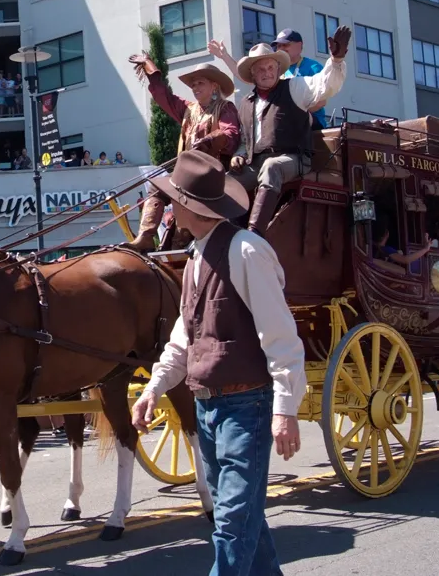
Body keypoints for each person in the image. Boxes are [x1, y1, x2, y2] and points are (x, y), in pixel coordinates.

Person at [130, 149, 307, 576]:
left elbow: (280, 335)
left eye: (173, 200)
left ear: (190, 207)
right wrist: (154, 388)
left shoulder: (247, 251)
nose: (168, 208)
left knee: (231, 524)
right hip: (208, 408)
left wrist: (285, 410)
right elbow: (184, 338)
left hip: (246, 407)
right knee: (244, 523)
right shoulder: (195, 258)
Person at [228, 26, 352, 237]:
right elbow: (244, 141)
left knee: (271, 167)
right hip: (255, 163)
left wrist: (337, 60)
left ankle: (254, 235)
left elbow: (324, 85)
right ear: (252, 74)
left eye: (270, 67)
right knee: (225, 182)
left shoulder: (295, 87)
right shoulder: (246, 103)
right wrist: (238, 155)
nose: (267, 72)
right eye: (261, 69)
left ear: (278, 69)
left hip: (293, 159)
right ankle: (226, 235)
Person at [126, 52, 242, 252]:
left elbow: (231, 133)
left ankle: (180, 246)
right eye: (193, 84)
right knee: (156, 187)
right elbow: (165, 97)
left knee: (183, 210)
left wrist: (209, 140)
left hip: (213, 174)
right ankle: (145, 236)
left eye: (200, 83)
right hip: (188, 174)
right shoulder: (189, 109)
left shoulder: (226, 108)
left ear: (214, 86)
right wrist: (150, 68)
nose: (195, 88)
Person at [271, 28, 329, 130]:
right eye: (279, 46)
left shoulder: (313, 68)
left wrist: (294, 113)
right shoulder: (277, 70)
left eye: (286, 45)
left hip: (311, 121)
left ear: (299, 46)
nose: (281, 48)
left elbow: (321, 102)